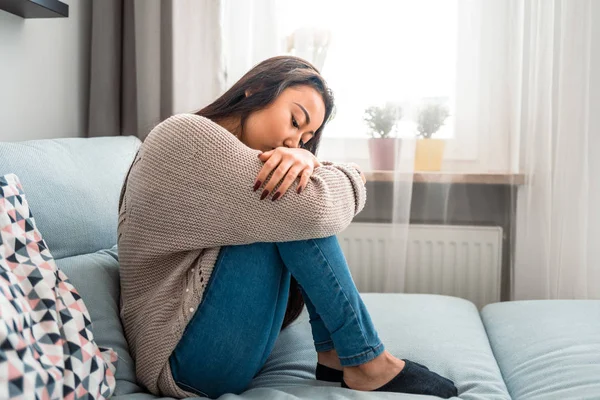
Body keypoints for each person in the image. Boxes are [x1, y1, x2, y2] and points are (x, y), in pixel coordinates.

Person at [117, 55, 458, 399]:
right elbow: (315, 209)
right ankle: (366, 360)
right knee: (288, 197)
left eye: (306, 137)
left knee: (288, 191)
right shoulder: (187, 135)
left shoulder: (240, 158)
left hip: (212, 351)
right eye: (295, 121)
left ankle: (335, 355)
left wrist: (308, 160)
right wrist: (348, 174)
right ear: (256, 89)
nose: (295, 142)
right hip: (182, 361)